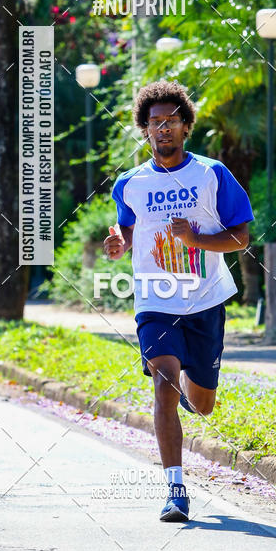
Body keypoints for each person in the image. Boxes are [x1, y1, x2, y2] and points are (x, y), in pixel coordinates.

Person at [103, 79, 253, 522]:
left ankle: (195, 391)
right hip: (155, 299)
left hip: (205, 300)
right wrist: (118, 244)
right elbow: (127, 231)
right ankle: (175, 489)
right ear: (145, 130)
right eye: (154, 123)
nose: (162, 129)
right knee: (163, 381)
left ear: (186, 126)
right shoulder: (130, 183)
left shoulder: (211, 174)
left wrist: (197, 238)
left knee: (203, 403)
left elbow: (241, 238)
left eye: (171, 121)